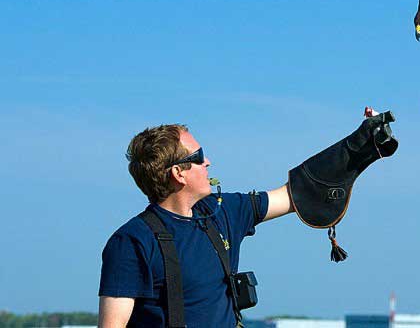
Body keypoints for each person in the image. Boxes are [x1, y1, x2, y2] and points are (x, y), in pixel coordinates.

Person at [98, 110, 397, 328]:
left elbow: (296, 195)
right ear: (179, 174)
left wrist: (355, 148)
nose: (208, 162)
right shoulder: (132, 242)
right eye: (199, 156)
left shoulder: (221, 212)